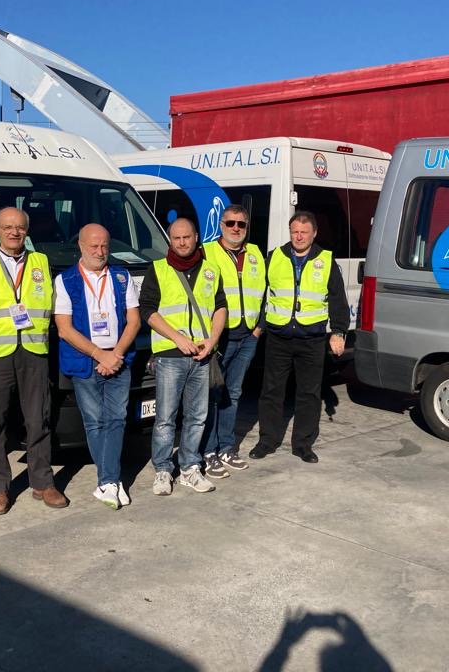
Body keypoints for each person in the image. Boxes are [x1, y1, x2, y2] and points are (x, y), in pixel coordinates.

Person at [0, 207, 67, 515]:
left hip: (33, 352)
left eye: (19, 227)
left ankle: (43, 482)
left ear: (26, 231)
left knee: (39, 419)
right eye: (8, 227)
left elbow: (52, 307)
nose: (14, 232)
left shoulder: (41, 262)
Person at [250, 211, 349, 464]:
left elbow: (337, 299)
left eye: (304, 232)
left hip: (311, 339)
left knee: (309, 394)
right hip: (278, 337)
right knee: (271, 392)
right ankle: (267, 441)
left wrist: (338, 332)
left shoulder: (325, 260)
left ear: (314, 233)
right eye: (295, 231)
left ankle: (303, 445)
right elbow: (261, 294)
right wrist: (258, 325)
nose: (299, 236)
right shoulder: (274, 257)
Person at [54, 223, 140, 510]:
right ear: (81, 246)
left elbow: (134, 320)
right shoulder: (65, 280)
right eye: (94, 246)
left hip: (118, 359)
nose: (100, 251)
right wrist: (99, 355)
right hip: (86, 361)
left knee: (117, 420)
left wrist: (116, 354)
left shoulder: (121, 276)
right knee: (95, 422)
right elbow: (64, 329)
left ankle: (108, 482)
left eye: (104, 245)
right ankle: (111, 481)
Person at [139, 217, 227, 495]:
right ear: (170, 240)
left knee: (197, 416)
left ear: (196, 237)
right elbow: (147, 310)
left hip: (202, 354)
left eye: (186, 237)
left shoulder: (211, 270)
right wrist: (177, 338)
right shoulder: (158, 269)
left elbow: (220, 307)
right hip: (170, 355)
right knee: (166, 417)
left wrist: (212, 341)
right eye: (176, 238)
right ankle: (163, 470)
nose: (181, 242)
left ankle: (190, 468)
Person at [200, 204, 265, 478]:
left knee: (233, 394)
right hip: (220, 338)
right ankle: (208, 451)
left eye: (241, 224)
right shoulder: (206, 252)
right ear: (221, 225)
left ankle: (226, 448)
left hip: (247, 336)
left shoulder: (256, 253)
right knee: (212, 394)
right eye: (230, 223)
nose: (236, 228)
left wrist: (259, 328)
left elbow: (266, 291)